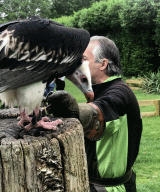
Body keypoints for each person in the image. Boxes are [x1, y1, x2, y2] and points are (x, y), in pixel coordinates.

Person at [47, 36, 142, 192]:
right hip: (91, 184)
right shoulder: (100, 91)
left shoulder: (119, 92)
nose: (77, 64)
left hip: (110, 188)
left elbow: (98, 113)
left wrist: (76, 111)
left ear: (103, 64)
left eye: (83, 59)